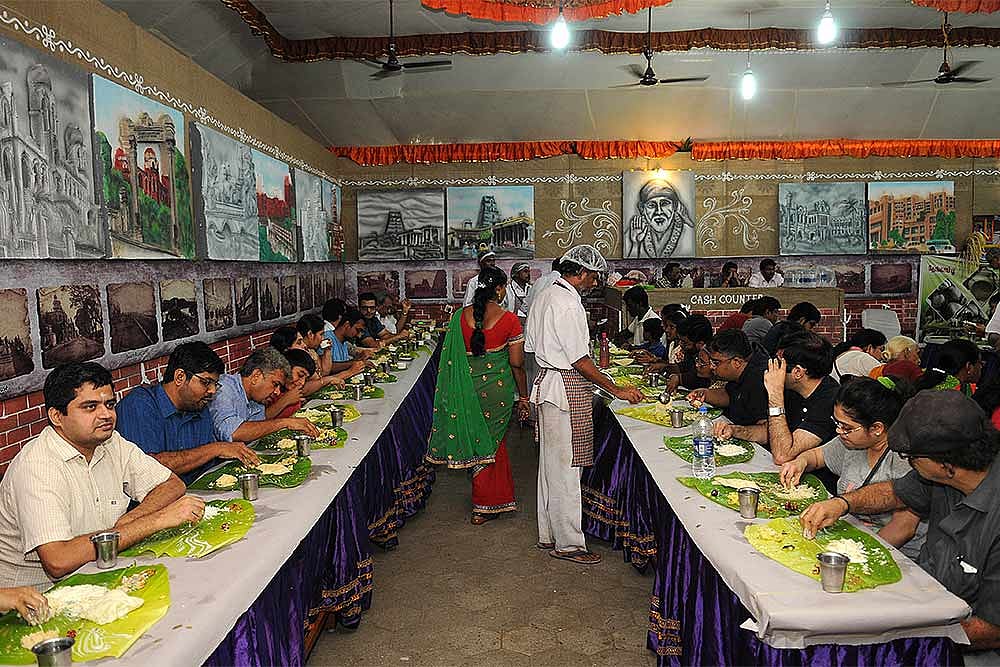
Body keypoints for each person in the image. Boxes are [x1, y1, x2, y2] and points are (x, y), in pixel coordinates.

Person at [798, 391, 1000, 652]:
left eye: (911, 458)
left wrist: (902, 638)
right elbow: (894, 492)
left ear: (946, 464)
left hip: (963, 642)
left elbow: (992, 630)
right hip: (924, 599)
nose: (909, 465)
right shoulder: (942, 476)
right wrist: (842, 503)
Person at [0, 362, 200, 588]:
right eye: (90, 407)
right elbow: (58, 560)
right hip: (40, 599)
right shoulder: (37, 466)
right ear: (57, 416)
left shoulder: (110, 441)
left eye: (110, 404)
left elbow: (171, 484)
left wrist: (131, 520)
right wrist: (155, 521)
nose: (106, 415)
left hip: (100, 573)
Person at [525, 245, 643, 565]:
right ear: (581, 272)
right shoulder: (567, 302)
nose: (594, 283)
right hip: (564, 388)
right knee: (566, 469)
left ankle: (549, 533)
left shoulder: (546, 293)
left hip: (549, 384)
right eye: (593, 277)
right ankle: (569, 544)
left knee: (550, 468)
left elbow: (533, 345)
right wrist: (615, 388)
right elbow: (579, 359)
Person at [779, 377, 924, 559]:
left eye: (846, 427)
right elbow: (815, 456)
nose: (839, 431)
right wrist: (799, 462)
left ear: (877, 428)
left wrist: (856, 554)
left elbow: (903, 528)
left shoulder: (905, 460)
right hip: (848, 539)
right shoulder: (849, 443)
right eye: (837, 423)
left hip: (889, 552)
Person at [427, 266, 528, 524]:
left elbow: (448, 360)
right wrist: (524, 396)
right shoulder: (509, 320)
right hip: (499, 394)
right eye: (504, 287)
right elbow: (517, 363)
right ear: (498, 289)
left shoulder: (459, 317)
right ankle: (483, 506)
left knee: (477, 441)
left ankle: (490, 500)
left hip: (466, 389)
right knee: (493, 444)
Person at [116, 342, 259, 484]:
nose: (213, 391)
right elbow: (148, 468)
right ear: (180, 377)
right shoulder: (139, 405)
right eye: (206, 382)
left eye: (215, 384)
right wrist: (216, 448)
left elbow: (206, 466)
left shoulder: (198, 404)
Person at [716, 332, 839, 465]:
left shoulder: (830, 400)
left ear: (797, 372)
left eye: (777, 363)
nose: (769, 367)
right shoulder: (793, 390)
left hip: (814, 480)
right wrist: (735, 430)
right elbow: (769, 432)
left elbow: (783, 455)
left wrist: (775, 396)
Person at [209, 346, 319, 443]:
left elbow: (260, 424)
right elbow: (233, 432)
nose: (277, 392)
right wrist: (285, 423)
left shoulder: (255, 397)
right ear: (256, 376)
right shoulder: (223, 389)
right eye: (275, 384)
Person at [688, 329, 768, 427]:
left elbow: (765, 429)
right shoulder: (739, 372)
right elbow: (730, 396)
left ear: (737, 362)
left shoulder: (759, 379)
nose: (712, 367)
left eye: (716, 363)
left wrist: (733, 430)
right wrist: (705, 393)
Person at [624, 179, 695, 258]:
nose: (659, 212)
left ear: (674, 206)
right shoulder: (632, 233)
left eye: (664, 204)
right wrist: (635, 244)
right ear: (642, 209)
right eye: (651, 205)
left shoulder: (689, 233)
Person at [914, 338, 982, 396]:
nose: (981, 367)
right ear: (969, 367)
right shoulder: (959, 393)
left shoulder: (925, 380)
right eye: (980, 363)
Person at [265, 349, 317, 420]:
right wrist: (286, 400)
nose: (302, 383)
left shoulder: (291, 391)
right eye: (300, 375)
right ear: (286, 368)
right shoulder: (268, 389)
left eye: (306, 379)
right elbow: (260, 419)